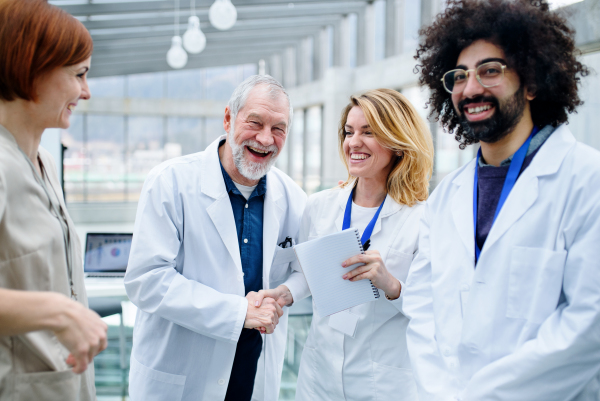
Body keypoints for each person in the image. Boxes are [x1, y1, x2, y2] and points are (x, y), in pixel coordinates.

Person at [403, 1, 600, 400]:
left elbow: (588, 325)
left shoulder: (586, 179)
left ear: (530, 82)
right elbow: (421, 309)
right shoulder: (446, 198)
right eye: (459, 76)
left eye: (490, 70)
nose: (471, 88)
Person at [124, 75, 307, 401]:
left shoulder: (291, 195)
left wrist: (284, 294)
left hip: (253, 372)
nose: (266, 138)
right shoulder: (170, 182)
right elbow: (146, 281)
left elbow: (305, 267)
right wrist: (239, 313)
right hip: (182, 375)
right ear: (228, 118)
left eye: (278, 128)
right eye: (255, 122)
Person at [258, 89, 434, 400]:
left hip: (382, 383)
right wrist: (284, 294)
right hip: (318, 378)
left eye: (369, 132)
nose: (354, 142)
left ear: (397, 143)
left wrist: (390, 284)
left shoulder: (423, 220)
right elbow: (307, 274)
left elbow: (434, 308)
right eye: (349, 132)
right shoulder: (319, 206)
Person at [0, 0, 108, 400]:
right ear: (33, 66)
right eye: (79, 74)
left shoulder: (41, 160)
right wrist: (59, 312)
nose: (86, 91)